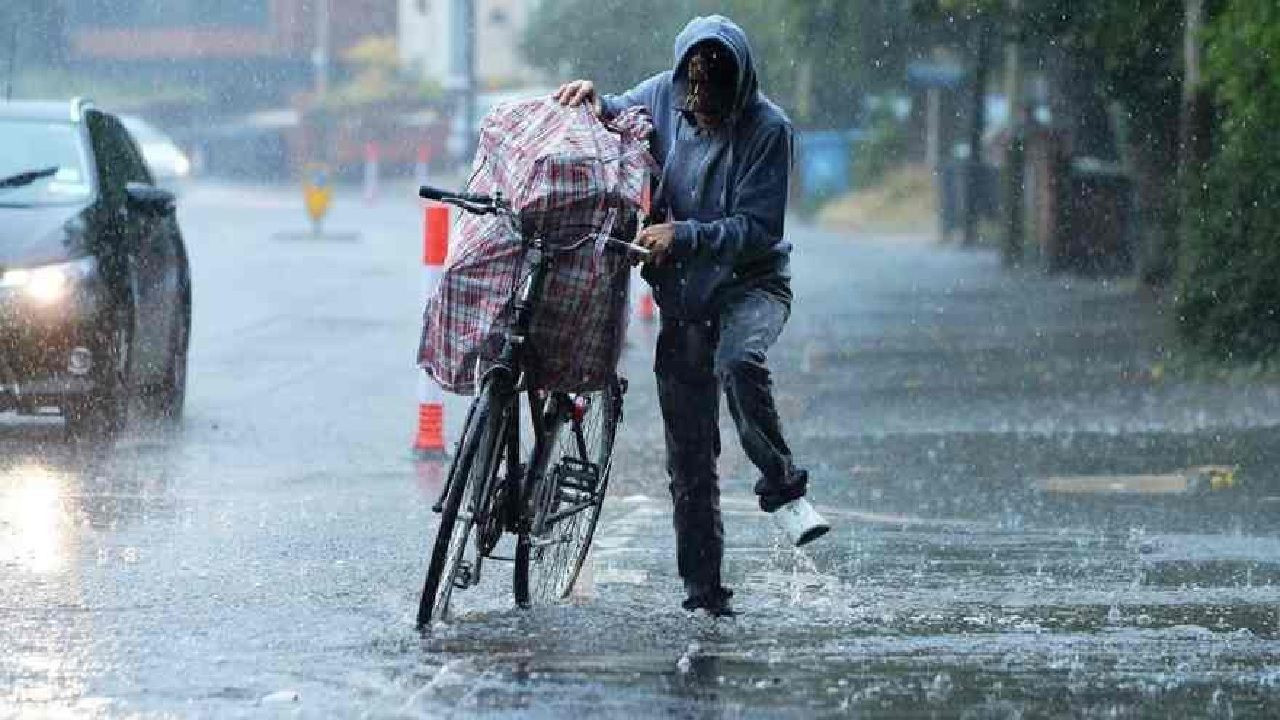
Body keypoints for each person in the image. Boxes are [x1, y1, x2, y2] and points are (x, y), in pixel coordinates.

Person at [555, 14, 828, 617]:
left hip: (750, 286)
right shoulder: (662, 95)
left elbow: (758, 230)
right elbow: (617, 112)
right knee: (690, 462)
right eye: (693, 91)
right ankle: (704, 594)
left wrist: (684, 235)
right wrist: (592, 98)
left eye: (715, 93)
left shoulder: (768, 129)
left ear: (740, 85)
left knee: (739, 360)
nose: (701, 105)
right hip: (684, 297)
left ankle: (782, 486)